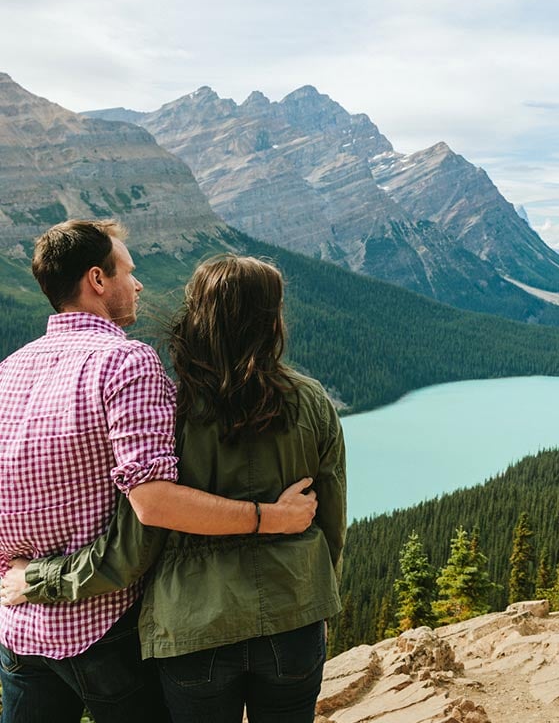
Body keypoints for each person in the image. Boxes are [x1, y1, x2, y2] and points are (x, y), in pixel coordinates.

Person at [2, 254, 346, 723]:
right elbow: (331, 523)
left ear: (198, 316)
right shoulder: (312, 401)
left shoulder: (168, 407)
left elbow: (131, 550)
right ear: (272, 318)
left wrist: (38, 579)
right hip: (295, 617)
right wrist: (321, 600)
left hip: (192, 632)